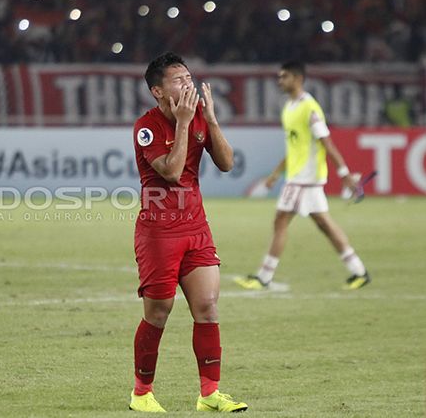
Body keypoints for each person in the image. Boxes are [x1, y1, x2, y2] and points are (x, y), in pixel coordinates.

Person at [129, 52, 248, 413]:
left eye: (189, 77)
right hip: (158, 232)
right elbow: (171, 171)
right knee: (159, 312)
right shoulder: (146, 127)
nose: (188, 84)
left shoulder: (198, 117)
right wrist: (182, 125)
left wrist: (210, 120)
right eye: (178, 80)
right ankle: (141, 393)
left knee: (208, 307)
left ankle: (210, 394)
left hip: (196, 227)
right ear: (158, 91)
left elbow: (226, 164)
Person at [234, 61, 370, 291]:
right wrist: (276, 174)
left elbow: (326, 142)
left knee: (281, 221)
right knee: (324, 224)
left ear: (298, 78)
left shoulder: (310, 108)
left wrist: (344, 173)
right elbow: (294, 147)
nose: (280, 81)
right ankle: (359, 271)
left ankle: (264, 277)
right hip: (300, 177)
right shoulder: (289, 108)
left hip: (304, 178)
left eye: (284, 76)